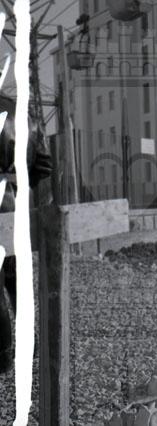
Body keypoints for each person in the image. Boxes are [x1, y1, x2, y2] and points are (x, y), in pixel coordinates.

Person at [0, 95, 52, 373]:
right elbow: (44, 165)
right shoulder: (22, 113)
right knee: (17, 284)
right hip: (18, 208)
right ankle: (29, 347)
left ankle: (3, 358)